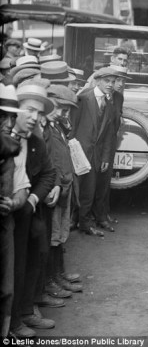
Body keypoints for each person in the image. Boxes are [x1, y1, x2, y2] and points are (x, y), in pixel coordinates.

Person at [10, 83, 58, 339]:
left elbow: (49, 173)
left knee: (30, 258)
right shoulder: (5, 137)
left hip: (26, 215)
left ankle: (23, 313)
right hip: (7, 215)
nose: (34, 118)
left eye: (38, 113)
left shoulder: (36, 142)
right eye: (28, 110)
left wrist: (32, 199)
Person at [43, 85, 83, 295]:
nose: (63, 114)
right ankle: (51, 281)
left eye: (67, 111)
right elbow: (50, 162)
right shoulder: (47, 130)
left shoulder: (56, 126)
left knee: (60, 234)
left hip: (64, 186)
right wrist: (57, 184)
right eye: (61, 108)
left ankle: (58, 275)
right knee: (53, 236)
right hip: (55, 189)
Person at [70, 67, 118, 237]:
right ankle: (74, 221)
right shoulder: (83, 98)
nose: (111, 85)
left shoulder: (109, 103)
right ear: (97, 81)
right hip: (79, 152)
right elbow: (72, 127)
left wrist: (105, 157)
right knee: (75, 188)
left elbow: (108, 135)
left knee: (89, 191)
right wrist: (72, 151)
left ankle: (85, 223)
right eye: (107, 81)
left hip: (96, 156)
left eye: (113, 82)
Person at [0, 83, 28, 339]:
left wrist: (15, 202)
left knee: (5, 289)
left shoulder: (12, 151)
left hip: (4, 225)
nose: (9, 123)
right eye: (2, 116)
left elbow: (22, 187)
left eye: (12, 116)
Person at [93, 65, 129, 231]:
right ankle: (85, 217)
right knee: (90, 180)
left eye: (122, 80)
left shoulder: (119, 98)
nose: (120, 84)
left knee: (105, 181)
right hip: (94, 144)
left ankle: (102, 214)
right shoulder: (96, 96)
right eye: (117, 80)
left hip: (110, 143)